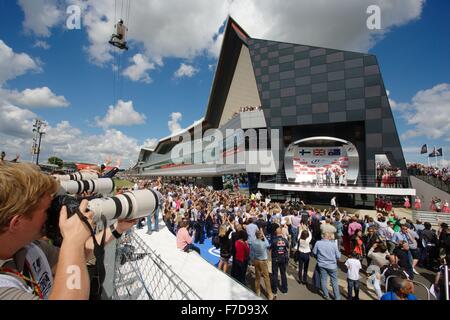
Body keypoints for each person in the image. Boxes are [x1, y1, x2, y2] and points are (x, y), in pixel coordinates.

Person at [0, 162, 136, 300]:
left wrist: (117, 228)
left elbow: (75, 256)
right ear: (16, 223)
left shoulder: (29, 247)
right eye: (47, 210)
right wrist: (72, 242)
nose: (53, 214)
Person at [312, 231, 341, 300]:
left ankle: (326, 295)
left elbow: (314, 252)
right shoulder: (333, 244)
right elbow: (338, 256)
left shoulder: (318, 243)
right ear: (328, 237)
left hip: (322, 264)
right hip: (332, 265)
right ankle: (337, 297)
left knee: (323, 279)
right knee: (334, 281)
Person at [250, 230, 273, 300]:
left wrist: (252, 260)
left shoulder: (253, 242)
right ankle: (270, 294)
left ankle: (257, 292)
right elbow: (268, 245)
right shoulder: (264, 243)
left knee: (257, 277)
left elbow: (251, 253)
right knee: (266, 277)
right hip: (263, 261)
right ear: (261, 236)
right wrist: (264, 236)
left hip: (256, 260)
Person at [270, 227, 290, 296]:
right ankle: (285, 290)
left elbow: (270, 248)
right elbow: (288, 247)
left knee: (274, 274)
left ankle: (274, 290)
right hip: (283, 258)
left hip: (275, 258)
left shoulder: (273, 240)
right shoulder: (285, 240)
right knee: (283, 274)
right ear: (281, 232)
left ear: (276, 232)